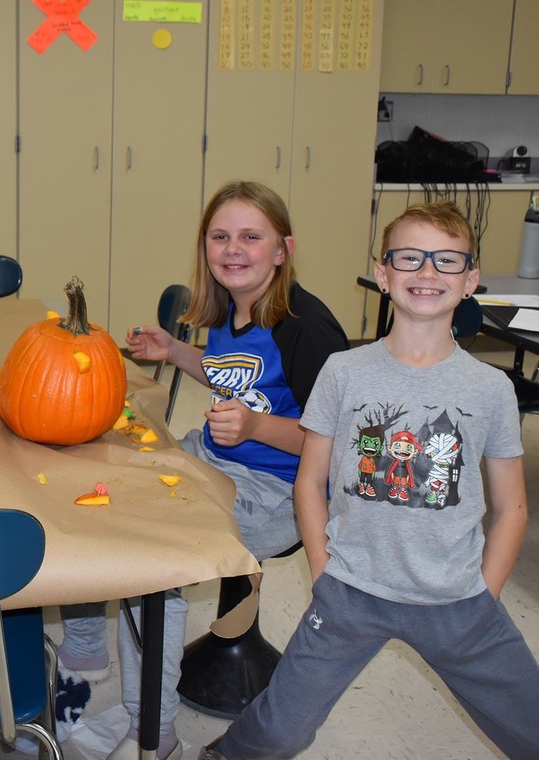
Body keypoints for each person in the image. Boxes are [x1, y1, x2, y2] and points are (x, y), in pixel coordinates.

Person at [199, 201, 539, 760]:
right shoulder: (345, 373)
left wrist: (486, 594)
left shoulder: (490, 390)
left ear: (471, 279)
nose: (427, 274)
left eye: (447, 261)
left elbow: (512, 508)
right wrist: (321, 571)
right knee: (277, 732)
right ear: (383, 275)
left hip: (457, 601)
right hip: (351, 592)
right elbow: (310, 483)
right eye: (409, 258)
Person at [60, 181, 349, 760]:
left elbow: (337, 444)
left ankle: (155, 729)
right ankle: (86, 644)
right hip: (217, 459)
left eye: (251, 236)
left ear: (282, 250)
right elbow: (231, 374)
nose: (233, 249)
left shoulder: (306, 327)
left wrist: (255, 429)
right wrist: (175, 351)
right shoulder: (231, 304)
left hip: (280, 492)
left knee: (156, 566)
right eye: (220, 236)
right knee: (100, 482)